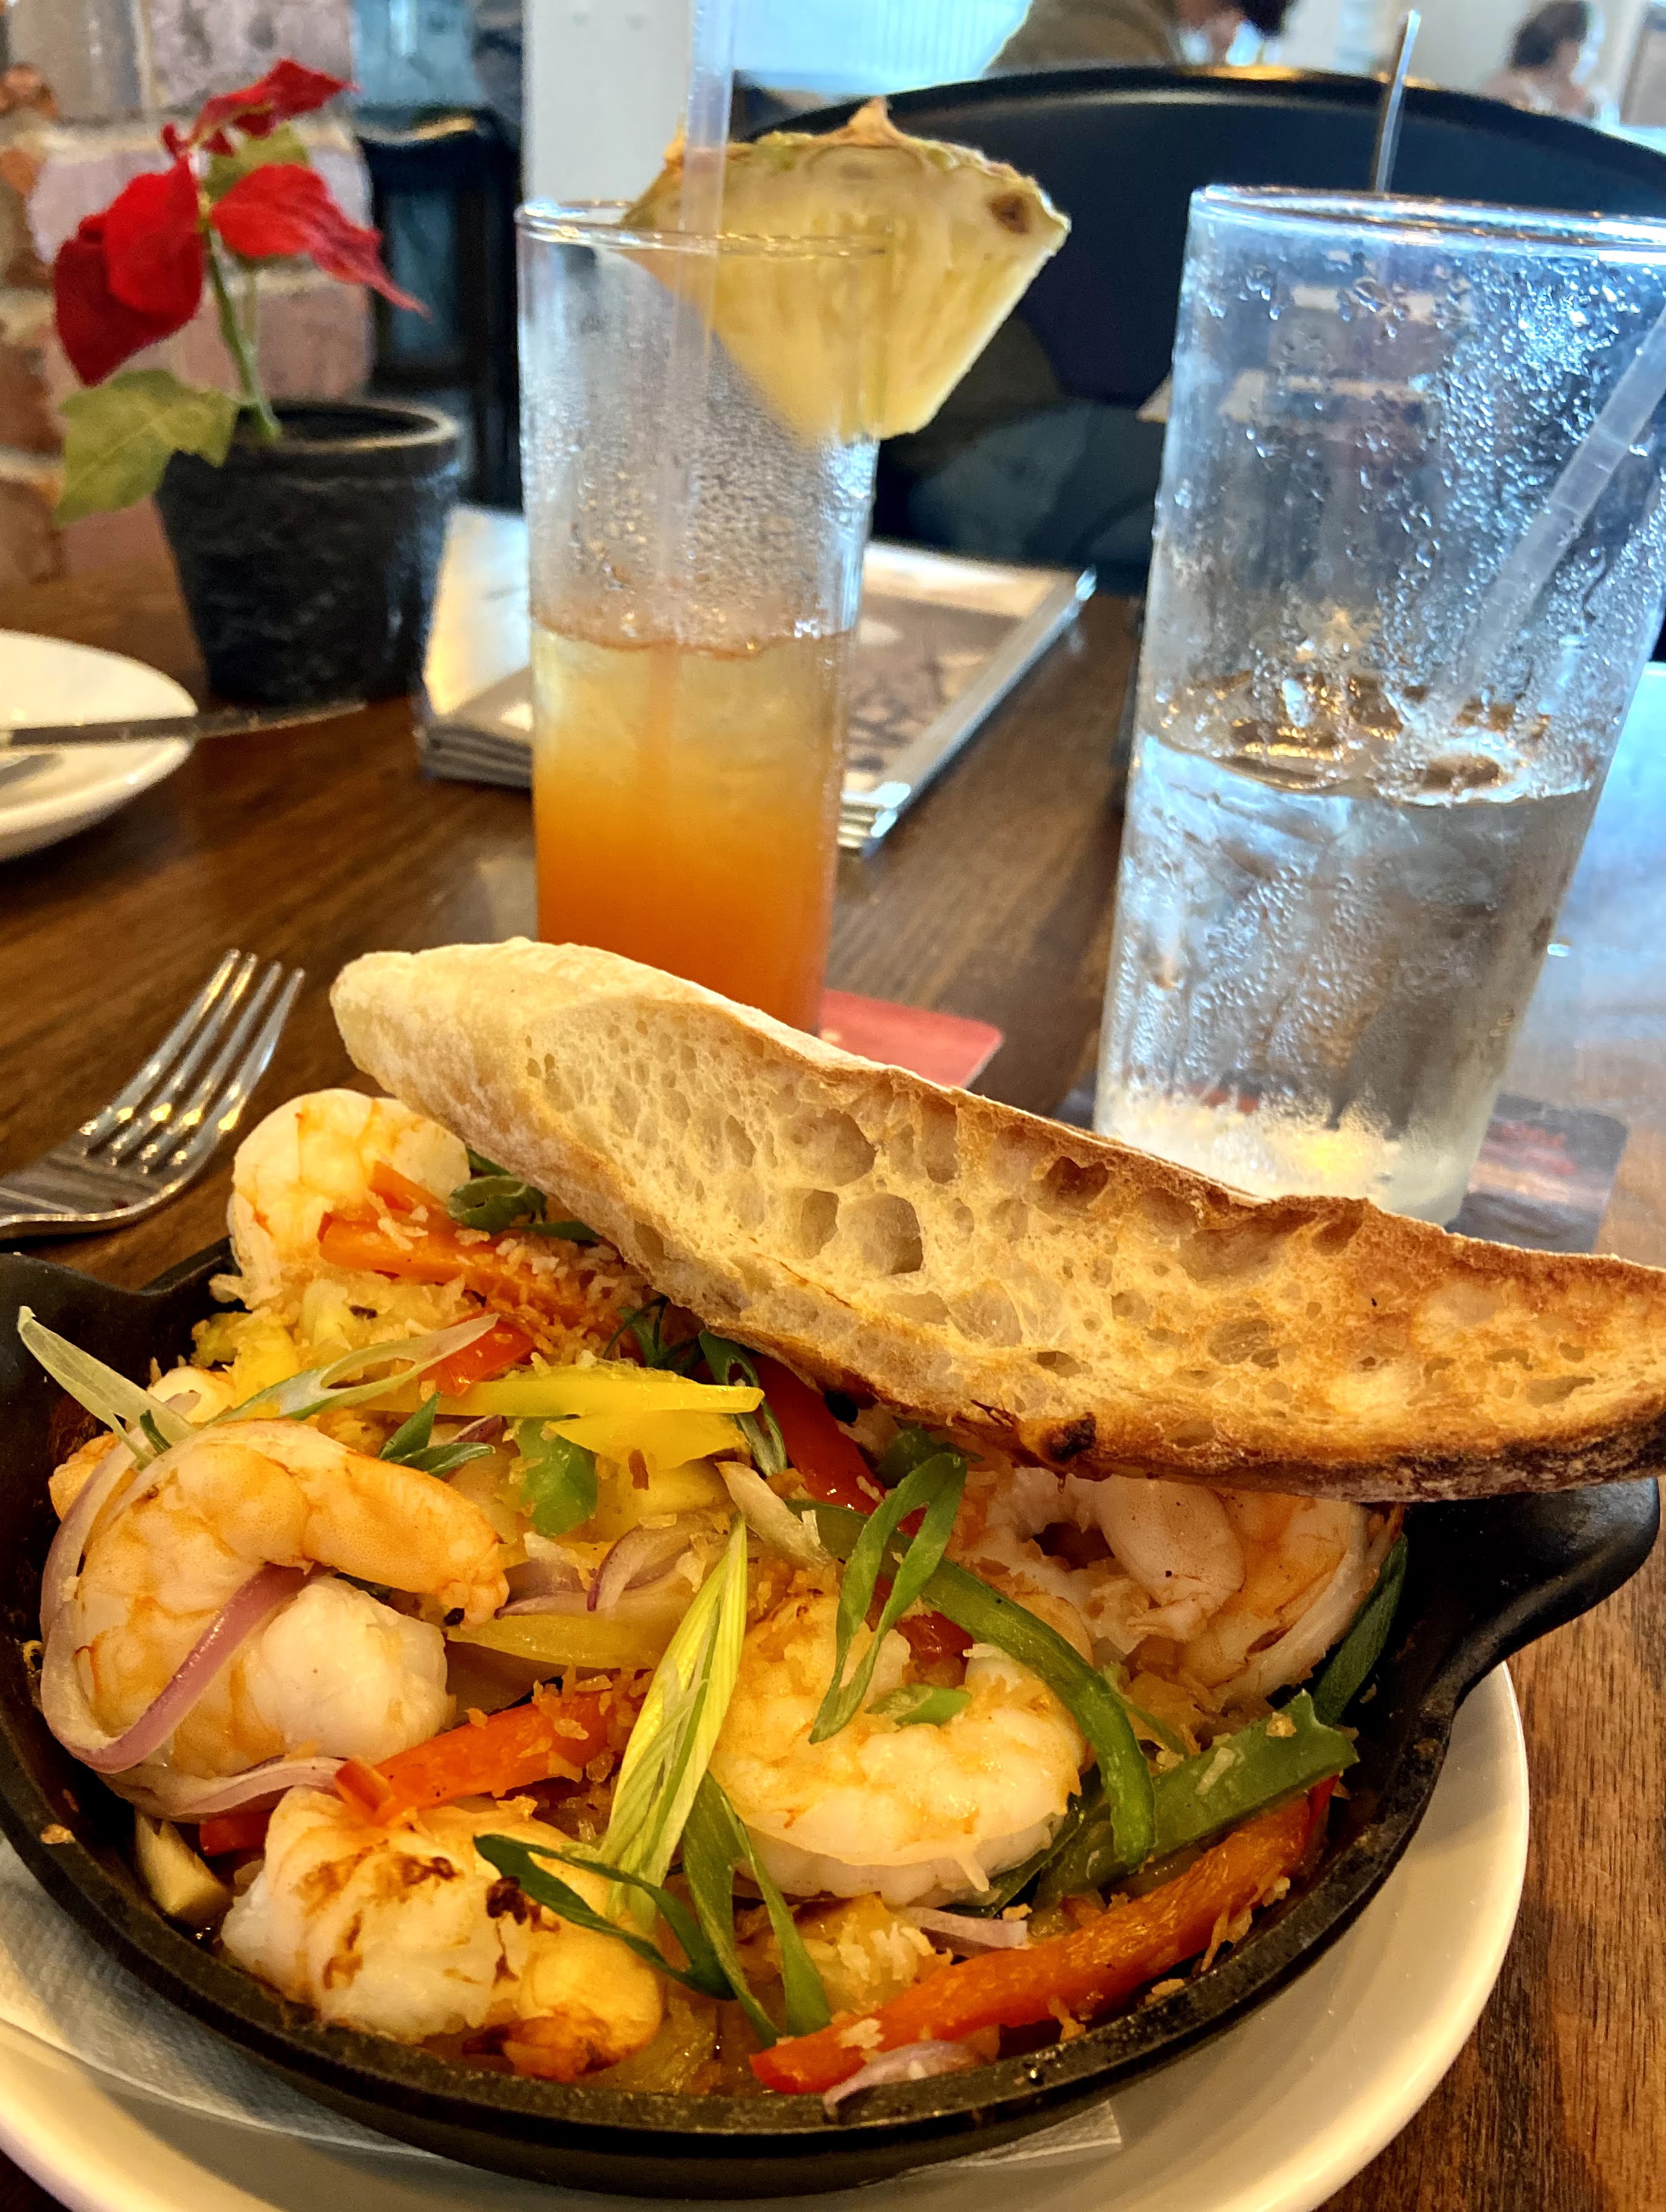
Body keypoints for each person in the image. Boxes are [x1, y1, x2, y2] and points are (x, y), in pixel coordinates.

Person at [995, 0, 1289, 71]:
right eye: (1223, 7)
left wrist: (1217, 60)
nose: (1213, 22)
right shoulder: (1121, 25)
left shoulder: (1150, 24)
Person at [1479, 2, 1605, 119]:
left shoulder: (1584, 102)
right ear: (1567, 46)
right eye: (1592, 47)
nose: (1594, 60)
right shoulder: (1517, 93)